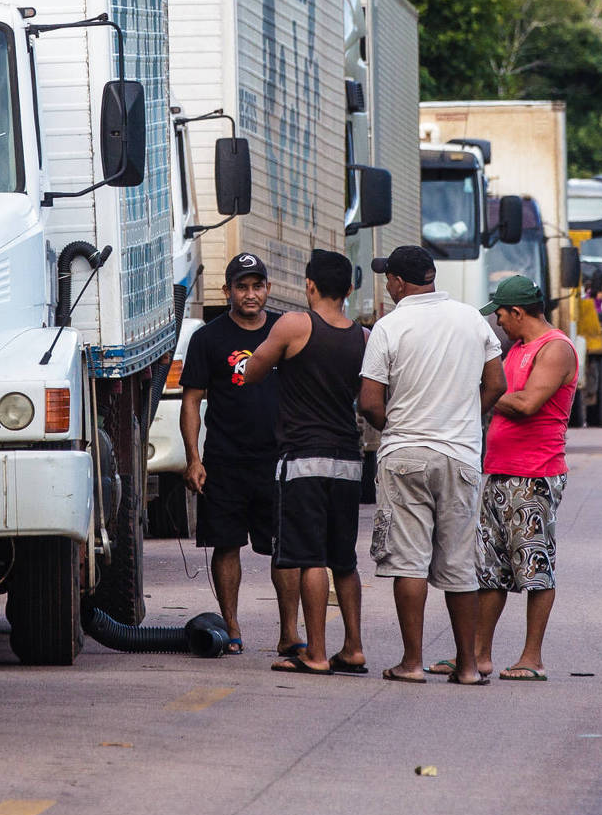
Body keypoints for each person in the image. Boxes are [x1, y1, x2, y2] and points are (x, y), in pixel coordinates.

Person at [356, 244, 504, 685]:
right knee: (459, 563)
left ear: (400, 283)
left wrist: (397, 424)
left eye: (388, 279)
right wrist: (463, 417)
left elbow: (369, 400)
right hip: (460, 455)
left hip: (405, 454)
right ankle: (466, 667)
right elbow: (497, 383)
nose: (387, 284)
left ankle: (413, 662)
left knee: (409, 562)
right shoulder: (472, 319)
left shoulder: (389, 326)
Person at [236, 248, 372, 674]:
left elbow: (252, 372)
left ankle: (314, 653)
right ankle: (353, 648)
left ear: (309, 286)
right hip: (348, 460)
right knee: (344, 559)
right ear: (349, 289)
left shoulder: (295, 325)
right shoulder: (363, 336)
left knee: (311, 556)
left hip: (303, 458)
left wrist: (252, 362)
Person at [178, 254, 301, 655]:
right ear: (226, 291)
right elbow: (192, 401)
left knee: (283, 549)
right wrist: (194, 459)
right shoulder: (208, 338)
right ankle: (231, 626)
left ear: (268, 289)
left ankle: (289, 632)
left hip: (278, 460)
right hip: (226, 460)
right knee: (226, 545)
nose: (250, 294)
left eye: (257, 286)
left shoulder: (287, 331)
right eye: (241, 287)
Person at [470, 275, 576, 681]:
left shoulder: (555, 349)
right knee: (490, 570)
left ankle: (532, 657)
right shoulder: (516, 348)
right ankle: (479, 655)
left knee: (535, 566)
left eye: (500, 313)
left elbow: (529, 403)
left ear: (518, 312)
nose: (498, 321)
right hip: (500, 471)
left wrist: (476, 390)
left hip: (534, 475)